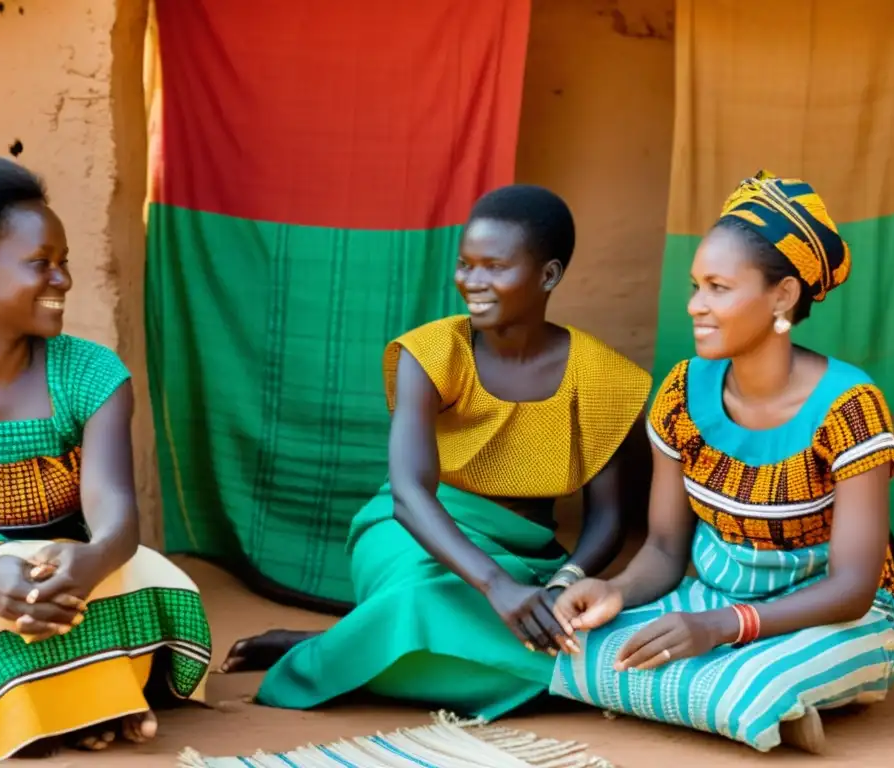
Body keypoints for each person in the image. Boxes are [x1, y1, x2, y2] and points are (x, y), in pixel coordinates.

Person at [221, 184, 652, 718]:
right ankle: (336, 652)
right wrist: (495, 587)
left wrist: (564, 582)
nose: (473, 283)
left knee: (565, 630)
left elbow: (608, 517)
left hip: (527, 561)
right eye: (465, 265)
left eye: (494, 267)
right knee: (423, 600)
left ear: (548, 276)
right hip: (416, 534)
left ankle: (361, 644)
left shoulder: (604, 377)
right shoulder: (431, 353)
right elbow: (407, 495)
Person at [550, 172, 894, 754]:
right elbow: (664, 549)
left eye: (718, 287)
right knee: (579, 648)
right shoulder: (683, 392)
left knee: (744, 690)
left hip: (834, 614)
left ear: (784, 295)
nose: (695, 306)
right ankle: (778, 700)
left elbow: (853, 588)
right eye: (695, 286)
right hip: (711, 593)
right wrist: (613, 590)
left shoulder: (850, 407)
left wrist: (721, 628)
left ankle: (799, 685)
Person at [0, 156, 212, 767]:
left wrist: (91, 557)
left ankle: (29, 713)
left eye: (64, 263)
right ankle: (85, 700)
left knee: (153, 577)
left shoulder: (92, 374)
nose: (62, 280)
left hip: (70, 588)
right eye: (42, 264)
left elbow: (114, 512)